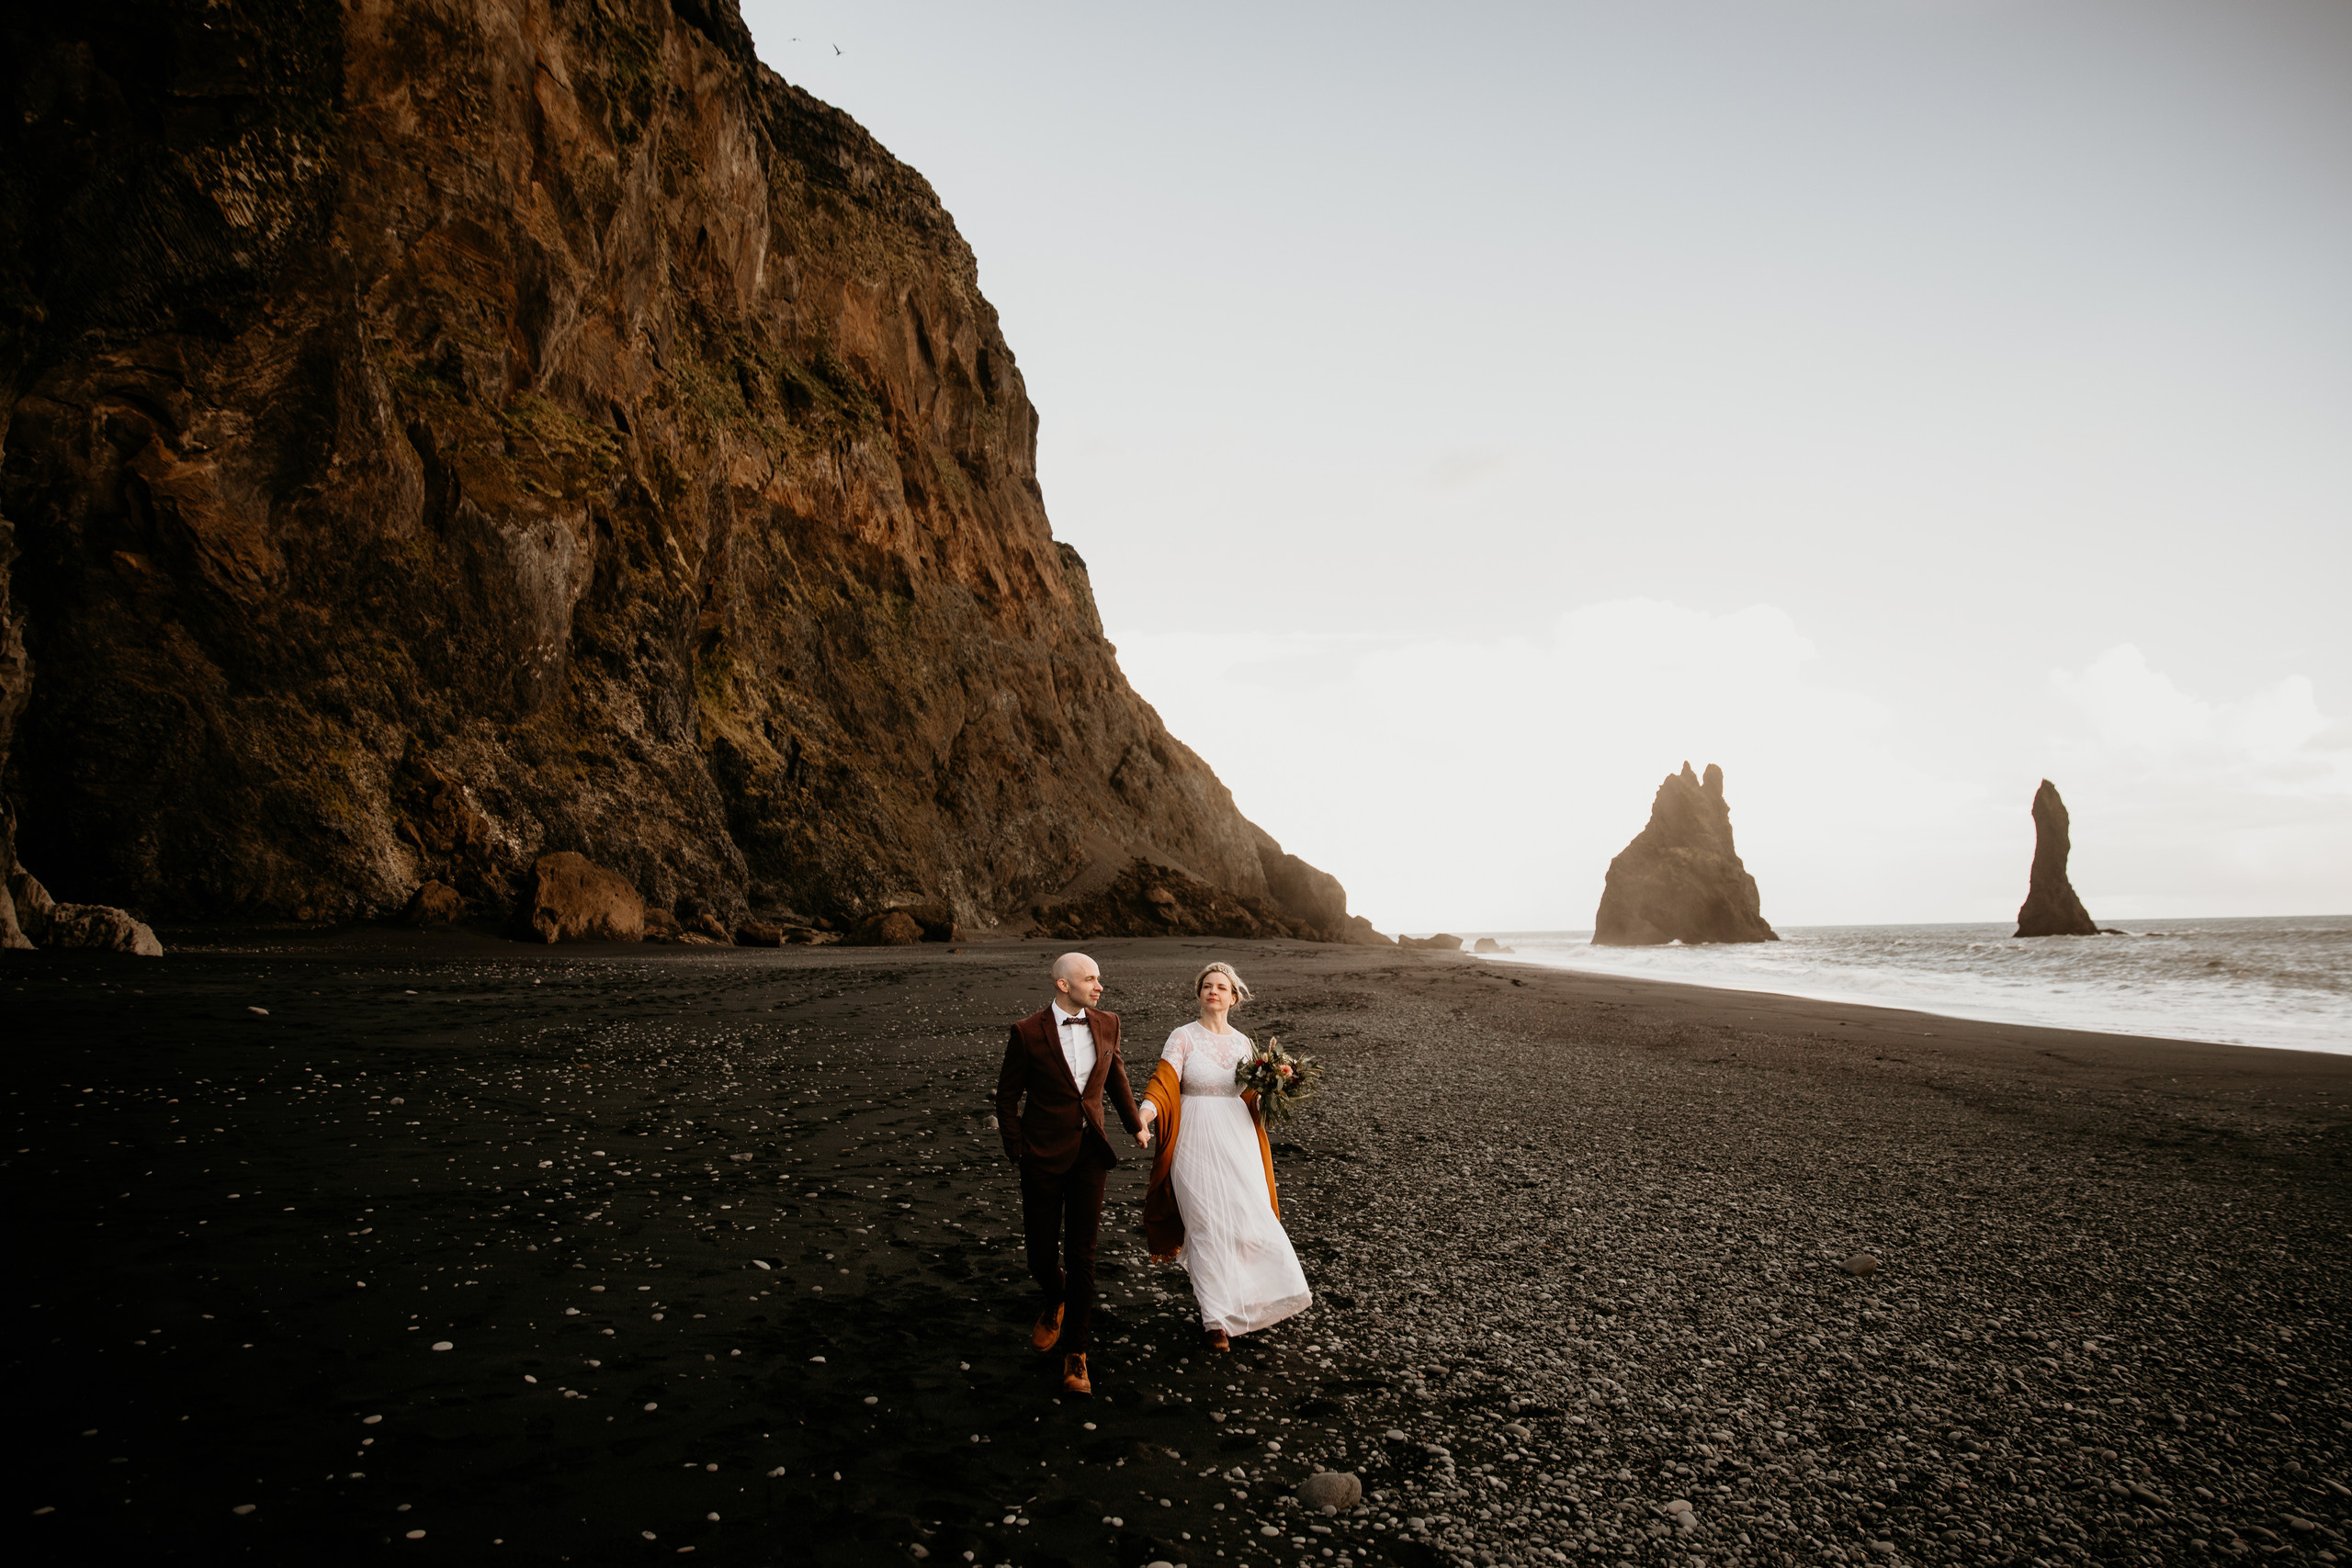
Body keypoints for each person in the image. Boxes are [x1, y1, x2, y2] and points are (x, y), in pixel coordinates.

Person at [994, 951, 1149, 1396]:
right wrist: (1017, 1147)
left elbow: (1116, 1077)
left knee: (1084, 1254)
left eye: (1099, 979)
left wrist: (1134, 1125)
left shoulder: (1108, 1023)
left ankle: (1077, 1354)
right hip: (1041, 1155)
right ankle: (1054, 1297)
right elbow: (1006, 1098)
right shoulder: (1026, 1033)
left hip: (1090, 1155)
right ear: (1064, 984)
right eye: (1090, 979)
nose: (1099, 987)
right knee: (1041, 1256)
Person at [1137, 961, 1311, 1351]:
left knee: (1248, 1221)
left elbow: (1254, 1095)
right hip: (1193, 1136)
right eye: (1207, 986)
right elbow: (1163, 1084)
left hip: (1239, 1139)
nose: (1213, 992)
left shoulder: (1243, 1045)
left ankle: (1253, 1299)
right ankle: (1215, 1319)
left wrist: (1281, 1087)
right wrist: (1145, 1116)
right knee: (1205, 1225)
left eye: (1221, 987)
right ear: (1199, 994)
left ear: (1234, 997)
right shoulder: (1182, 1037)